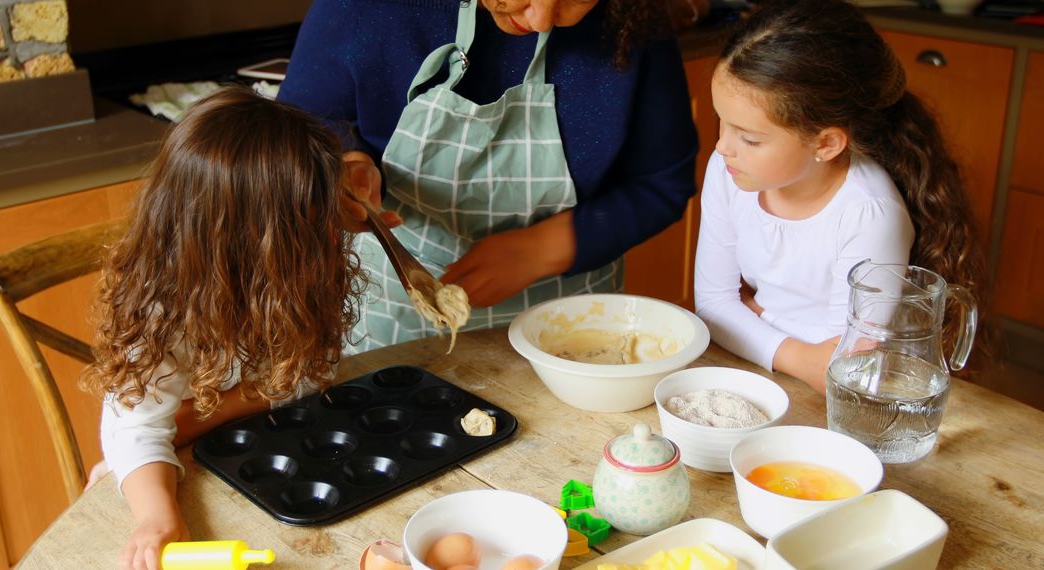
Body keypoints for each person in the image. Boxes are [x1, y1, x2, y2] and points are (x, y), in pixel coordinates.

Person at [278, 0, 701, 353]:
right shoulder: (367, 9)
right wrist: (343, 164)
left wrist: (542, 249)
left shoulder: (633, 17)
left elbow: (662, 182)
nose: (540, 20)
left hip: (569, 322)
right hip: (394, 312)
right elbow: (302, 128)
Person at [81, 87, 365, 570]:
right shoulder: (160, 307)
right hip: (198, 465)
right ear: (248, 243)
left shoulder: (296, 277)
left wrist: (192, 419)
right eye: (311, 230)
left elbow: (312, 374)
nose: (330, 240)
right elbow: (136, 427)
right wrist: (154, 515)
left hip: (262, 446)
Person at [694, 0, 989, 392]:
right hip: (765, 372)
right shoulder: (730, 170)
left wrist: (760, 319)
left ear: (827, 143)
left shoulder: (869, 214)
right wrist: (795, 348)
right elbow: (712, 307)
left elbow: (842, 363)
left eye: (749, 137)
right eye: (722, 122)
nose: (722, 146)